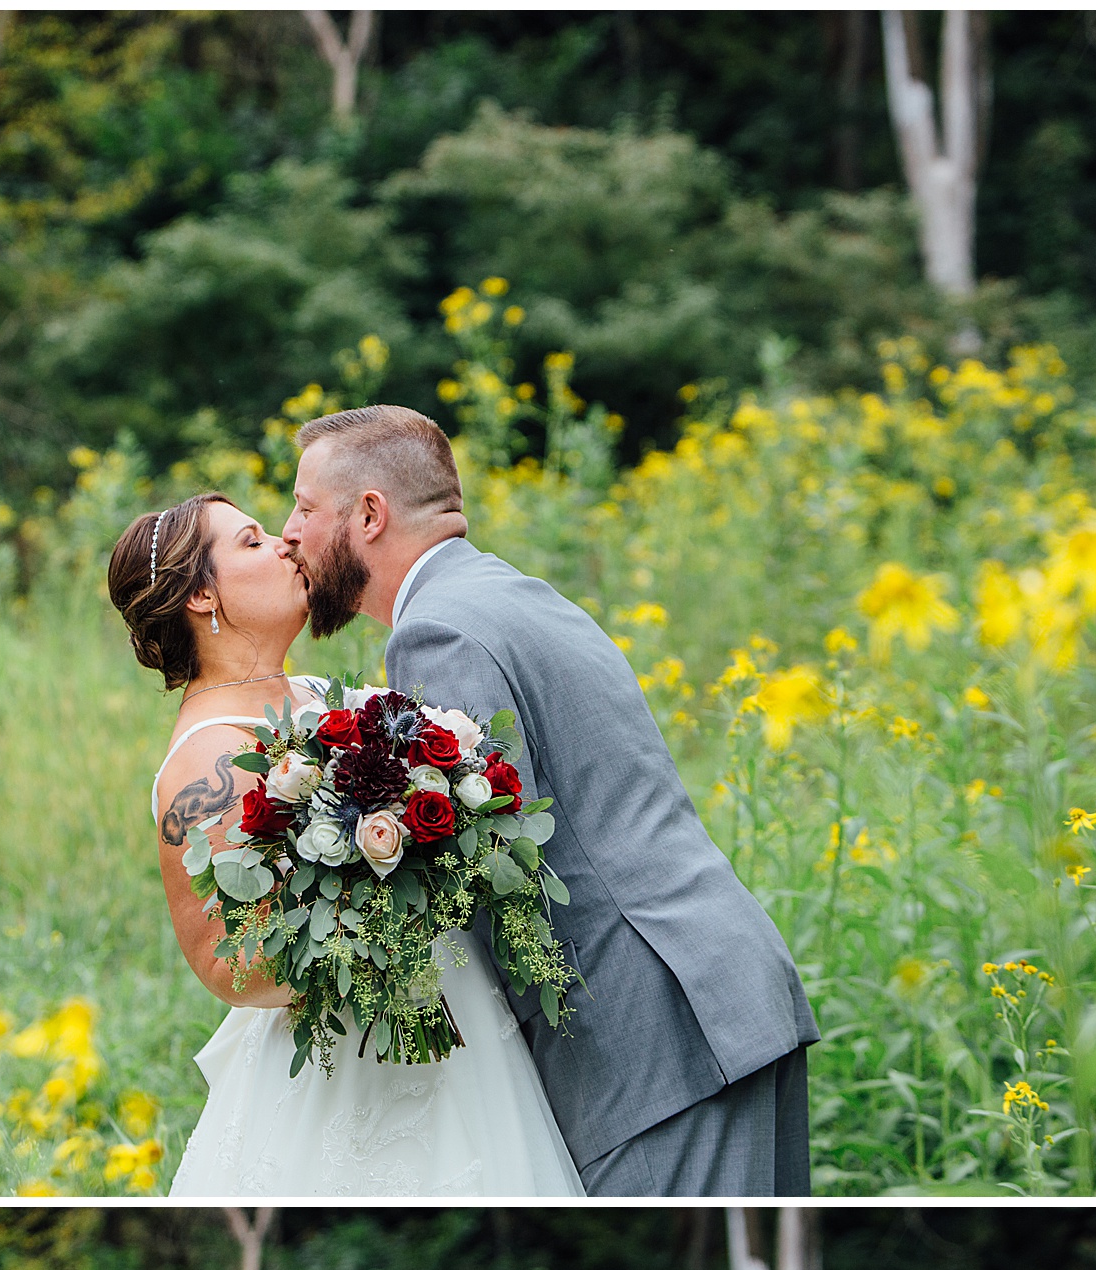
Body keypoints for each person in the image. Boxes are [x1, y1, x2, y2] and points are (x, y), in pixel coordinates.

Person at [281, 405, 820, 1197]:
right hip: (717, 998)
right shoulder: (516, 593)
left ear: (368, 515)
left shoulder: (437, 635)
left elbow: (490, 860)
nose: (288, 531)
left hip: (652, 1040)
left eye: (301, 507)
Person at [105, 497, 582, 1197]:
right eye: (250, 541)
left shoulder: (310, 694)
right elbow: (226, 964)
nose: (283, 543)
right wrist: (377, 913)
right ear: (202, 592)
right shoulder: (209, 758)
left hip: (457, 1013)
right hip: (349, 1056)